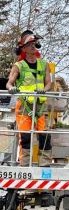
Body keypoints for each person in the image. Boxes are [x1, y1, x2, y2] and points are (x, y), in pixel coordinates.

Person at [6, 30, 52, 166]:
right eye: (30, 44)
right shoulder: (19, 66)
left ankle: (45, 164)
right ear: (24, 48)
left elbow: (49, 83)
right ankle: (25, 165)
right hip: (25, 106)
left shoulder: (44, 64)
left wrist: (44, 89)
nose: (33, 46)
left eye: (34, 44)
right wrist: (11, 88)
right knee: (25, 137)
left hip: (40, 105)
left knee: (44, 136)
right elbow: (9, 83)